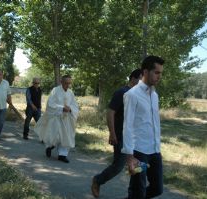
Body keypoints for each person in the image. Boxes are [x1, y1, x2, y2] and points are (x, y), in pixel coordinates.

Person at [91, 69, 142, 198]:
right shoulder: (122, 92)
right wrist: (112, 133)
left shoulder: (138, 95)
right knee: (118, 166)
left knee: (138, 166)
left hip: (135, 137)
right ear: (133, 79)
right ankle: (98, 180)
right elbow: (110, 112)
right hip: (121, 135)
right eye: (141, 79)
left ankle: (134, 194)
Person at [122, 56, 164, 199]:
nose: (159, 76)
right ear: (145, 72)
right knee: (138, 190)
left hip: (154, 151)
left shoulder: (154, 95)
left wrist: (158, 146)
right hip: (139, 152)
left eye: (161, 73)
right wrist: (129, 156)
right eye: (156, 72)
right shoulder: (132, 95)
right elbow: (127, 125)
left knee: (158, 189)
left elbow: (154, 123)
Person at [34, 75, 79, 163]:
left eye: (69, 83)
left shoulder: (70, 93)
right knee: (55, 136)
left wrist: (70, 109)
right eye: (66, 83)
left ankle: (62, 155)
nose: (68, 85)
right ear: (61, 82)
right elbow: (50, 104)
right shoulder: (55, 90)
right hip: (56, 117)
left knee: (66, 136)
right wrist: (61, 108)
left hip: (67, 119)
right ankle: (50, 147)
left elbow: (74, 104)